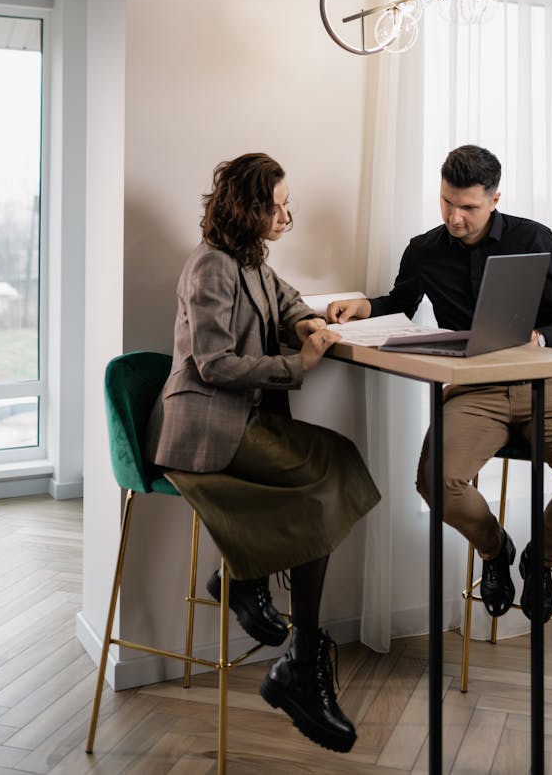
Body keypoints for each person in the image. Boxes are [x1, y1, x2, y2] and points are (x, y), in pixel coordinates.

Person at [146, 152, 380, 754]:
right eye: (277, 206)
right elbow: (214, 363)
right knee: (326, 486)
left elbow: (287, 300)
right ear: (249, 210)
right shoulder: (211, 267)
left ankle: (257, 596)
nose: (286, 215)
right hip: (204, 427)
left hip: (241, 419)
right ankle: (298, 657)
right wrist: (295, 363)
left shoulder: (250, 262)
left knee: (341, 465)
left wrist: (306, 322)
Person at [327, 144, 552, 623]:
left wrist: (538, 338)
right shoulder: (423, 250)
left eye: (468, 207)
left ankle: (539, 559)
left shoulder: (533, 237)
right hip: (474, 391)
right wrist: (364, 306)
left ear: (495, 199)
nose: (454, 217)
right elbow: (399, 302)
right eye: (446, 202)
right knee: (435, 481)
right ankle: (494, 548)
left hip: (546, 382)